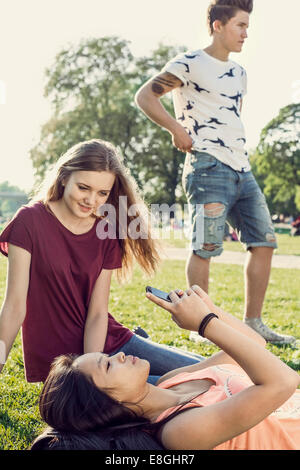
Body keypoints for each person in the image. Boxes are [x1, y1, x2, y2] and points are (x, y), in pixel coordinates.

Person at [134, 0, 295, 345]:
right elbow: (145, 96)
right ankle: (200, 326)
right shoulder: (189, 63)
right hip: (207, 165)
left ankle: (254, 323)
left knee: (264, 241)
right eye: (240, 26)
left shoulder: (239, 73)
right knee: (205, 246)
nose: (245, 34)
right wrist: (175, 128)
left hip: (242, 168)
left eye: (248, 26)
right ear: (218, 26)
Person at [0, 139, 205, 386]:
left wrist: (93, 365)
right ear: (64, 177)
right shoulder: (29, 221)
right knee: (189, 386)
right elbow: (13, 307)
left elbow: (97, 314)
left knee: (209, 370)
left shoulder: (105, 231)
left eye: (102, 193)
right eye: (84, 188)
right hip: (64, 368)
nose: (92, 200)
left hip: (108, 345)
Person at [33, 285, 300, 451]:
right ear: (108, 402)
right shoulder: (178, 432)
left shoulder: (171, 380)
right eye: (109, 365)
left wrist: (208, 309)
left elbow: (254, 343)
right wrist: (206, 324)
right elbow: (283, 381)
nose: (121, 356)